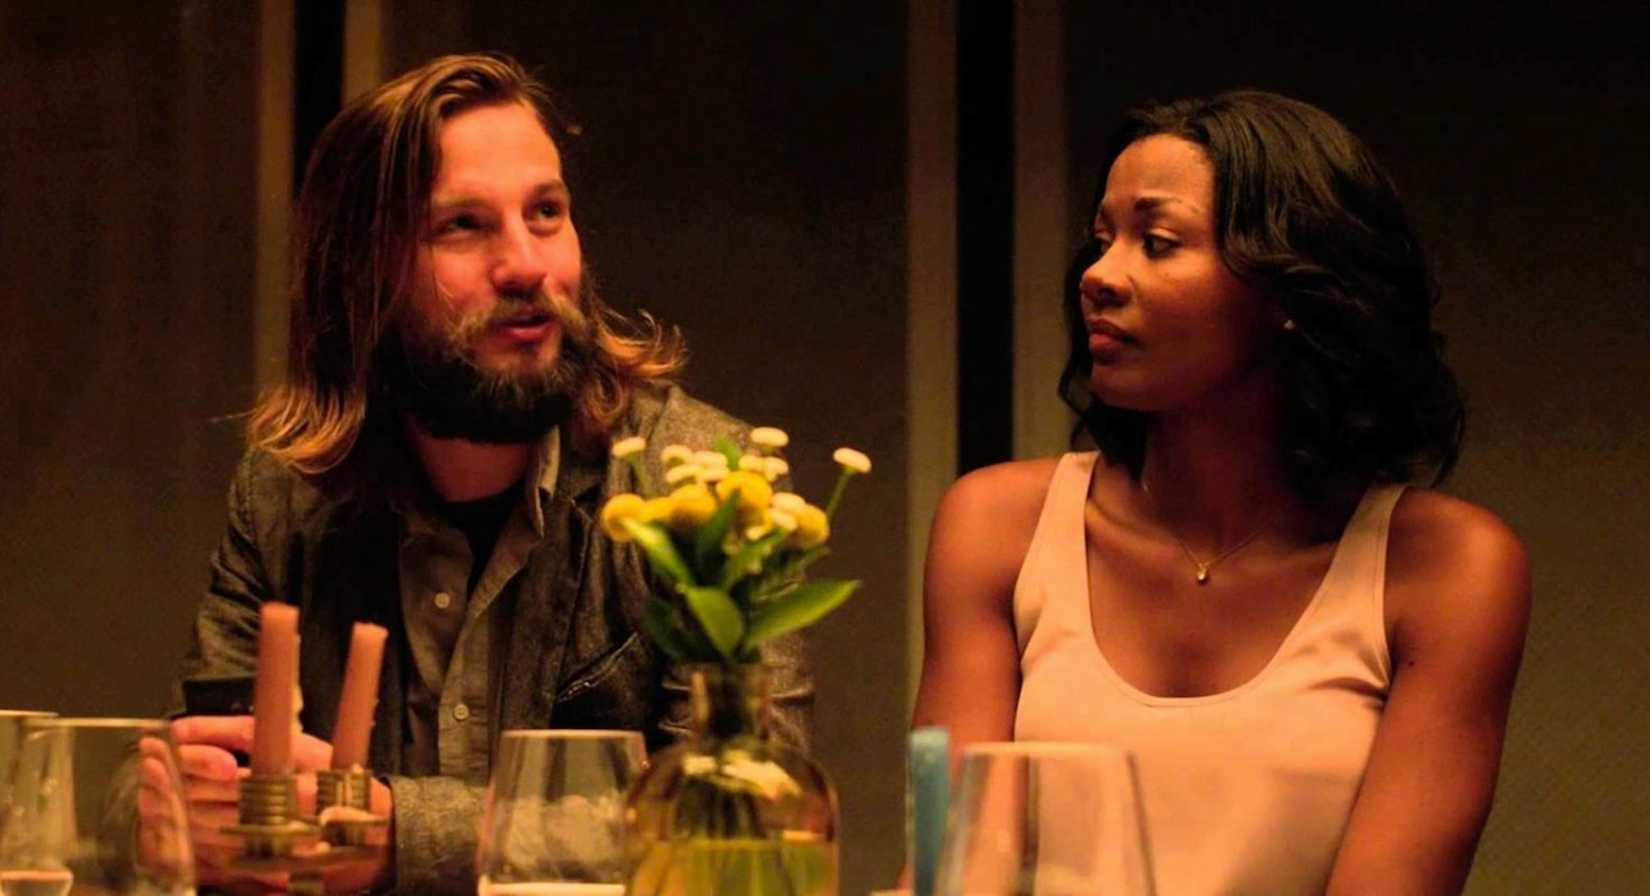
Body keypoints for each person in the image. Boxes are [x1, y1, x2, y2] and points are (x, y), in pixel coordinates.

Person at [165, 53, 812, 894]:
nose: (526, 266)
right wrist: (169, 811)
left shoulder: (713, 491)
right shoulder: (284, 495)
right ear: (359, 277)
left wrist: (406, 834)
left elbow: (745, 826)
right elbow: (192, 786)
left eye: (547, 213)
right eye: (463, 226)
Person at [911, 91, 1529, 894]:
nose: (1098, 276)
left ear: (1289, 294)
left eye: (1158, 243)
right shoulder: (996, 524)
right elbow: (959, 874)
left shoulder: (1449, 567)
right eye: (1101, 241)